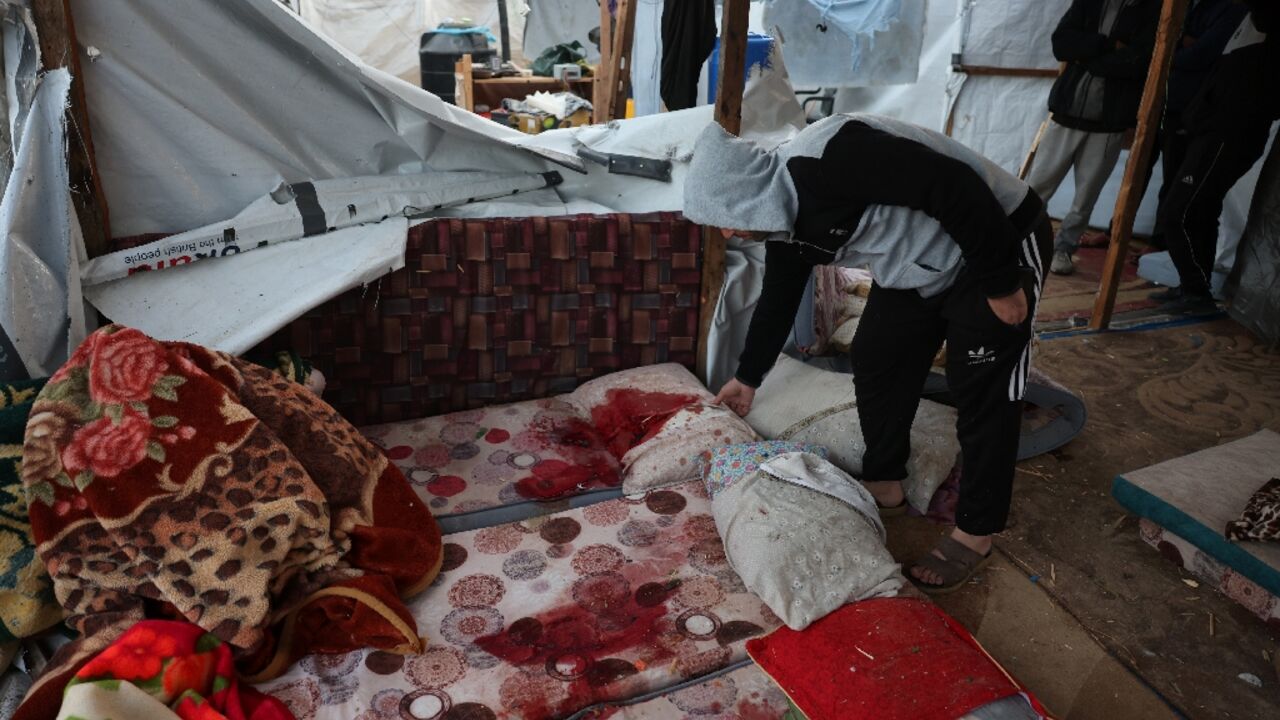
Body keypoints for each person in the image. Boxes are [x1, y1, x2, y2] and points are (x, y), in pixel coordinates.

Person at [683, 113, 1053, 594]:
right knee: (879, 356)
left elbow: (956, 186)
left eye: (726, 220)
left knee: (983, 385)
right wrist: (747, 377)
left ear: (747, 195)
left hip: (995, 241)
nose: (729, 235)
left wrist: (1002, 284)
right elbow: (777, 299)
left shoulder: (834, 158)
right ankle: (886, 480)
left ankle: (975, 532)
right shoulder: (783, 219)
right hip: (918, 263)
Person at [1151, 1, 1278, 311]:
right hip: (1215, 129)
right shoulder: (1243, 26)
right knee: (1200, 210)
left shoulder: (1263, 27)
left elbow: (1199, 55)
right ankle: (1194, 286)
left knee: (1177, 212)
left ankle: (1195, 290)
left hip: (1230, 133)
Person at [1026, 0, 1162, 276]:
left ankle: (1063, 248)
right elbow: (1060, 44)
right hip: (1066, 114)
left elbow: (1137, 62)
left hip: (1109, 122)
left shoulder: (1152, 10)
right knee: (1037, 186)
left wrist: (1086, 54)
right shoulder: (1088, 3)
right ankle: (1022, 241)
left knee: (1085, 197)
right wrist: (1109, 45)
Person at [1147, 0, 1250, 251]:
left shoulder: (1232, 9)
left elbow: (1203, 53)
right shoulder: (1192, 6)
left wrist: (1172, 53)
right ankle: (1157, 241)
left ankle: (1165, 246)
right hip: (1169, 100)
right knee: (1157, 171)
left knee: (1181, 184)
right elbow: (1160, 41)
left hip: (1194, 107)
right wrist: (1177, 47)